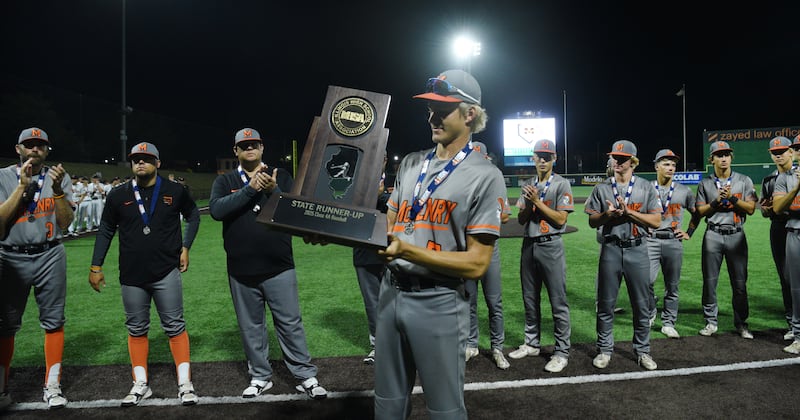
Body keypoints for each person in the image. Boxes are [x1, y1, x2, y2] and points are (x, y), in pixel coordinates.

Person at [375, 69, 506, 418]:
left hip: (439, 300)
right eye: (430, 108)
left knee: (444, 410)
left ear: (470, 114)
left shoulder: (485, 175)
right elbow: (387, 224)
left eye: (442, 109)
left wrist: (407, 250)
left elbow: (477, 263)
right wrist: (332, 228)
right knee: (386, 405)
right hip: (390, 293)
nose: (432, 116)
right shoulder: (412, 163)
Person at [208, 128, 327, 400]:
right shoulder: (226, 180)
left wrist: (275, 192)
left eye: (254, 144)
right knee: (251, 326)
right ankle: (260, 376)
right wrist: (250, 190)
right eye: (244, 145)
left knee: (289, 322)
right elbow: (217, 211)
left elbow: (295, 212)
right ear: (236, 151)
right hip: (241, 268)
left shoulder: (281, 175)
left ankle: (305, 375)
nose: (249, 148)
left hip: (279, 264)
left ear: (262, 147)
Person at [88, 141, 201, 407]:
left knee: (175, 327)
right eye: (136, 159)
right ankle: (141, 384)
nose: (141, 163)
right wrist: (96, 265)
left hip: (166, 271)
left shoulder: (175, 190)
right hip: (131, 275)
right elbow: (105, 230)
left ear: (158, 163)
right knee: (136, 329)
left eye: (147, 159)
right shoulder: (117, 195)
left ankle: (185, 384)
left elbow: (194, 216)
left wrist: (185, 246)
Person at [0, 128, 74, 410]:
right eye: (29, 145)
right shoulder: (3, 177)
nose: (35, 149)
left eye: (40, 145)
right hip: (10, 255)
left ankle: (52, 385)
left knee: (54, 321)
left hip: (50, 253)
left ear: (47, 150)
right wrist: (21, 187)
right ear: (18, 149)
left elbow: (65, 223)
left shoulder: (59, 177)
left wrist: (56, 193)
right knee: (5, 325)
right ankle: (1, 389)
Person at [585, 140, 661, 371]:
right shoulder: (601, 188)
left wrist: (629, 213)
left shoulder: (646, 187)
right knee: (606, 304)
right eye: (614, 157)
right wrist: (608, 215)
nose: (617, 161)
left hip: (637, 248)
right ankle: (605, 349)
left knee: (641, 305)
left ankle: (642, 350)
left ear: (633, 162)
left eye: (622, 158)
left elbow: (656, 221)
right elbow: (591, 221)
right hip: (611, 248)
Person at [509, 139, 573, 373]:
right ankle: (531, 343)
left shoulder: (562, 184)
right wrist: (528, 204)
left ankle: (561, 351)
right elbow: (522, 220)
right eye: (539, 156)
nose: (543, 160)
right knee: (529, 298)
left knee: (558, 301)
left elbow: (560, 219)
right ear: (533, 158)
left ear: (554, 159)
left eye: (547, 156)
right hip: (529, 244)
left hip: (551, 244)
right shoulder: (527, 184)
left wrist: (537, 202)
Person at [695, 141, 757, 339]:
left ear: (731, 157)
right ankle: (711, 321)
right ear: (711, 159)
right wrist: (716, 202)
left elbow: (751, 208)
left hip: (736, 234)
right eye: (719, 155)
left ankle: (741, 323)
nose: (723, 158)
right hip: (713, 234)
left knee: (739, 283)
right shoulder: (705, 183)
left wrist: (731, 198)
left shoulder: (744, 180)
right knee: (709, 281)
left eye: (726, 154)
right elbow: (700, 210)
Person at [464, 141, 510, 370]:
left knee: (494, 302)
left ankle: (497, 348)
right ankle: (471, 344)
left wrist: (486, 214)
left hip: (489, 248)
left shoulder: (495, 179)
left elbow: (505, 216)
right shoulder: (462, 181)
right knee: (469, 300)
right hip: (468, 249)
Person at [646, 149, 696, 339]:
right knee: (646, 281)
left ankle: (668, 322)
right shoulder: (646, 188)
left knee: (672, 285)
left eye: (673, 164)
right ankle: (651, 310)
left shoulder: (684, 190)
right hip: (650, 240)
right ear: (656, 166)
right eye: (666, 164)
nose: (671, 167)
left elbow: (696, 213)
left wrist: (689, 232)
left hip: (673, 241)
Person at [352, 153, 391, 365]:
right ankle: (377, 346)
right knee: (372, 304)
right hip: (364, 252)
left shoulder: (399, 178)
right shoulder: (357, 182)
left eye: (383, 157)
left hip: (391, 251)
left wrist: (381, 196)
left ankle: (397, 344)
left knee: (396, 301)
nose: (379, 160)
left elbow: (400, 207)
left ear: (385, 160)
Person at [759, 137, 795, 341]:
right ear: (771, 154)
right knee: (786, 277)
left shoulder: (797, 175)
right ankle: (792, 322)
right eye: (775, 152)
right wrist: (766, 210)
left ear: (791, 152)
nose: (779, 154)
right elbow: (766, 212)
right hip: (779, 228)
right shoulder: (768, 181)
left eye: (783, 150)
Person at [775, 136, 800, 354]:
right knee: (796, 286)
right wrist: (797, 187)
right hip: (794, 231)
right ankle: (798, 334)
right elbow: (778, 208)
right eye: (798, 148)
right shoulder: (785, 178)